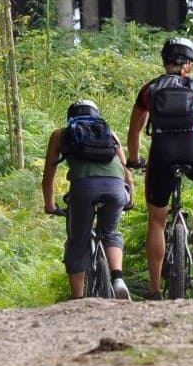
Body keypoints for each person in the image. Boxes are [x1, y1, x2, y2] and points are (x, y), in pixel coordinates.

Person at [126, 36, 193, 298]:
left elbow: (135, 130)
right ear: (191, 65)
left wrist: (135, 158)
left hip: (162, 150)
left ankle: (154, 289)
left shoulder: (149, 89)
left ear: (164, 62)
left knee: (157, 221)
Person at [41, 99, 133, 300]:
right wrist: (129, 198)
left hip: (84, 188)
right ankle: (118, 278)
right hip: (116, 187)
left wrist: (50, 205)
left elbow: (48, 175)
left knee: (78, 241)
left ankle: (78, 299)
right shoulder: (109, 132)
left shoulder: (60, 134)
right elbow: (127, 173)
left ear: (70, 117)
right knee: (110, 232)